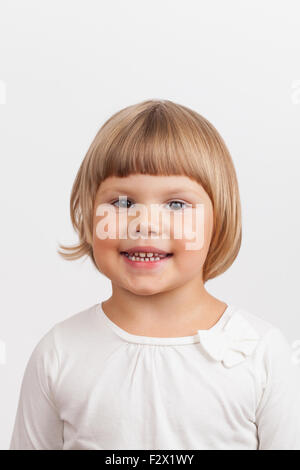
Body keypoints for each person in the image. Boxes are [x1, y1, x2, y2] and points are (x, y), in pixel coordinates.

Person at [9, 99, 300, 450]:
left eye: (176, 205)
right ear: (88, 216)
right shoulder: (59, 353)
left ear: (218, 220)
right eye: (121, 203)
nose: (145, 223)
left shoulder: (261, 354)